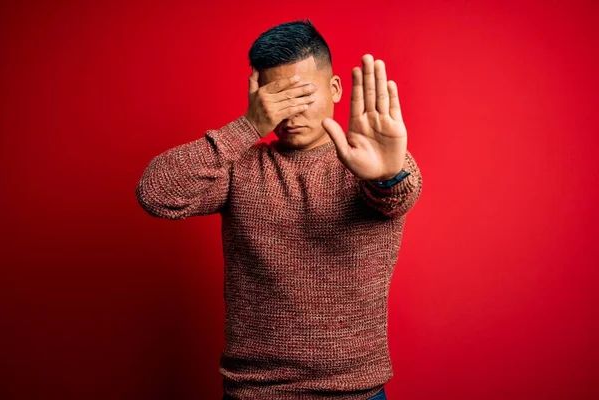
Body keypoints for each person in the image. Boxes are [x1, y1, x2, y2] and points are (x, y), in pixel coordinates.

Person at [136, 19, 422, 400]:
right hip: (253, 392)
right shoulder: (240, 167)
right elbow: (156, 193)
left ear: (335, 89)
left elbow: (399, 195)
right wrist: (247, 126)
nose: (290, 113)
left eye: (302, 96)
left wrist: (388, 175)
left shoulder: (374, 163)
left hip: (355, 392)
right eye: (276, 99)